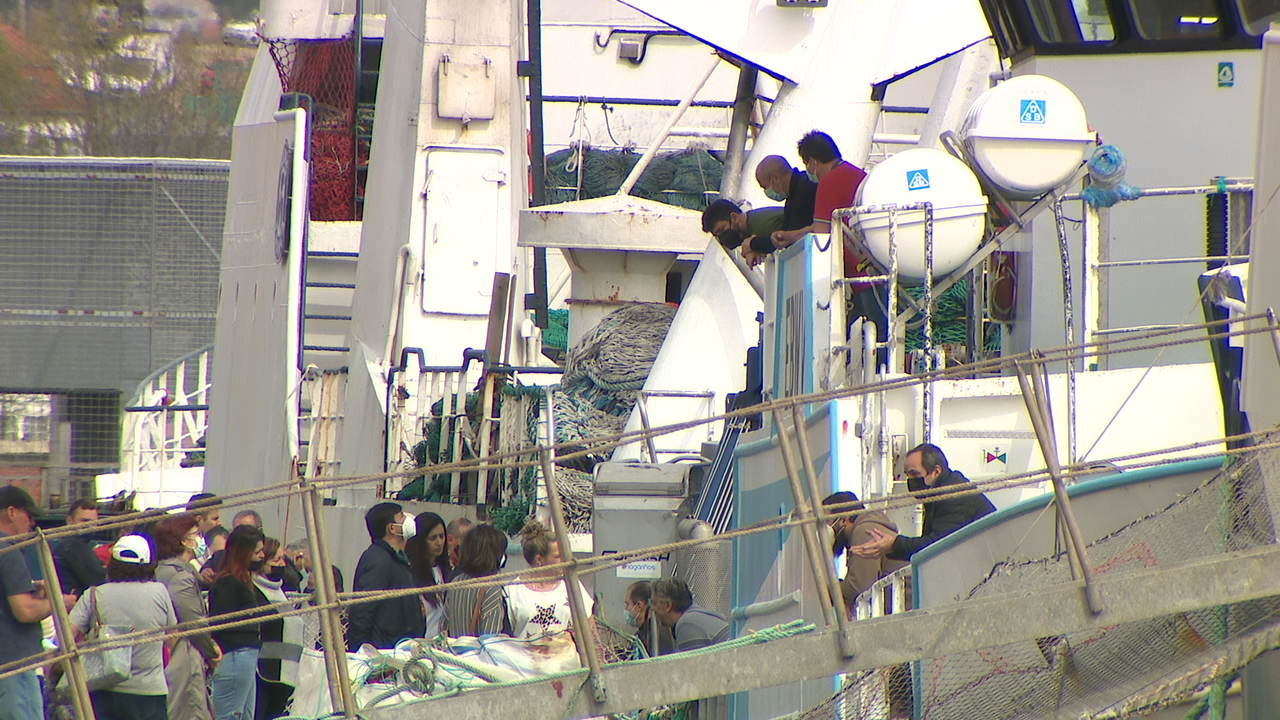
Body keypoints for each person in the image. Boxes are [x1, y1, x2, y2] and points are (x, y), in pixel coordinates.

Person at [69, 534, 178, 720]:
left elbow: (66, 636)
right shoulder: (159, 592)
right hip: (150, 690)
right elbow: (172, 638)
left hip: (105, 689)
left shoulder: (94, 595)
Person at [850, 443, 996, 563]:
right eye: (908, 475)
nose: (911, 481)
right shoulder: (937, 493)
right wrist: (891, 547)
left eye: (915, 474)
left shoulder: (953, 495)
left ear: (936, 471)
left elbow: (938, 545)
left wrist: (894, 544)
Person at [0, 485, 75, 718]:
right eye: (29, 515)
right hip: (14, 664)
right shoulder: (10, 549)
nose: (32, 523)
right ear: (12, 512)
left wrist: (31, 587)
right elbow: (25, 610)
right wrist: (60, 601)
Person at [153, 513, 220, 720]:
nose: (200, 539)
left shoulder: (161, 569)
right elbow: (193, 621)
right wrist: (211, 651)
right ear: (183, 541)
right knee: (191, 710)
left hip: (167, 652)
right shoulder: (180, 575)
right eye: (196, 534)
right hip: (184, 653)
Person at [209, 525, 268, 720]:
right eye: (257, 551)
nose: (262, 556)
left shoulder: (243, 580)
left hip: (246, 655)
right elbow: (222, 623)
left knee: (245, 715)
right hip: (235, 654)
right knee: (229, 715)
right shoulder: (229, 582)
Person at [347, 502, 423, 650]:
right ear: (392, 528)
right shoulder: (378, 559)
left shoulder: (398, 558)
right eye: (401, 516)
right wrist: (361, 652)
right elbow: (363, 611)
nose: (408, 519)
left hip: (401, 648)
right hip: (383, 652)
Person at [505, 520, 593, 641]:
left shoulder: (571, 585)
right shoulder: (512, 591)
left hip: (566, 658)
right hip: (525, 657)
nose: (565, 560)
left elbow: (590, 627)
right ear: (539, 560)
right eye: (558, 556)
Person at [822, 491, 909, 613]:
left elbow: (860, 587)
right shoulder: (864, 529)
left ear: (843, 519)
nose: (824, 530)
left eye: (827, 523)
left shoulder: (864, 531)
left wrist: (830, 591)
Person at [253, 537, 302, 720]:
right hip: (263, 673)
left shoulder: (280, 591)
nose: (282, 564)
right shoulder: (254, 591)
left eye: (283, 559)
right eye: (276, 560)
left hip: (286, 673)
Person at [743, 155, 819, 266]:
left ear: (775, 178)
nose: (767, 192)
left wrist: (752, 244)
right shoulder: (793, 195)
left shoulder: (803, 192)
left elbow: (786, 239)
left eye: (765, 187)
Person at [444, 523, 509, 637]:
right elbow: (490, 640)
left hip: (454, 653)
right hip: (477, 654)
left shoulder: (455, 582)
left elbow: (443, 627)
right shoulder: (491, 589)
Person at [404, 512, 450, 638]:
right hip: (419, 644)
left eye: (442, 536)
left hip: (443, 645)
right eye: (433, 538)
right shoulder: (409, 573)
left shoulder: (447, 570)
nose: (439, 542)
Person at [651, 578, 729, 652]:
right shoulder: (696, 616)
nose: (652, 608)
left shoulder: (686, 624)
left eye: (654, 603)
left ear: (668, 605)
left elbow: (693, 665)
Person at [52, 498, 107, 597]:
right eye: (84, 521)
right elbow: (99, 581)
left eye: (94, 523)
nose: (89, 526)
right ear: (70, 521)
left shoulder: (64, 546)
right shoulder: (72, 546)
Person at [700, 198, 785, 254]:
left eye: (722, 230)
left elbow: (785, 239)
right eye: (718, 236)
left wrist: (754, 245)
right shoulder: (751, 223)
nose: (723, 238)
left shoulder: (760, 226)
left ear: (735, 217)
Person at [623, 580, 674, 657]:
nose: (625, 608)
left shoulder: (655, 635)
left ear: (639, 605)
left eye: (627, 604)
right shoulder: (642, 633)